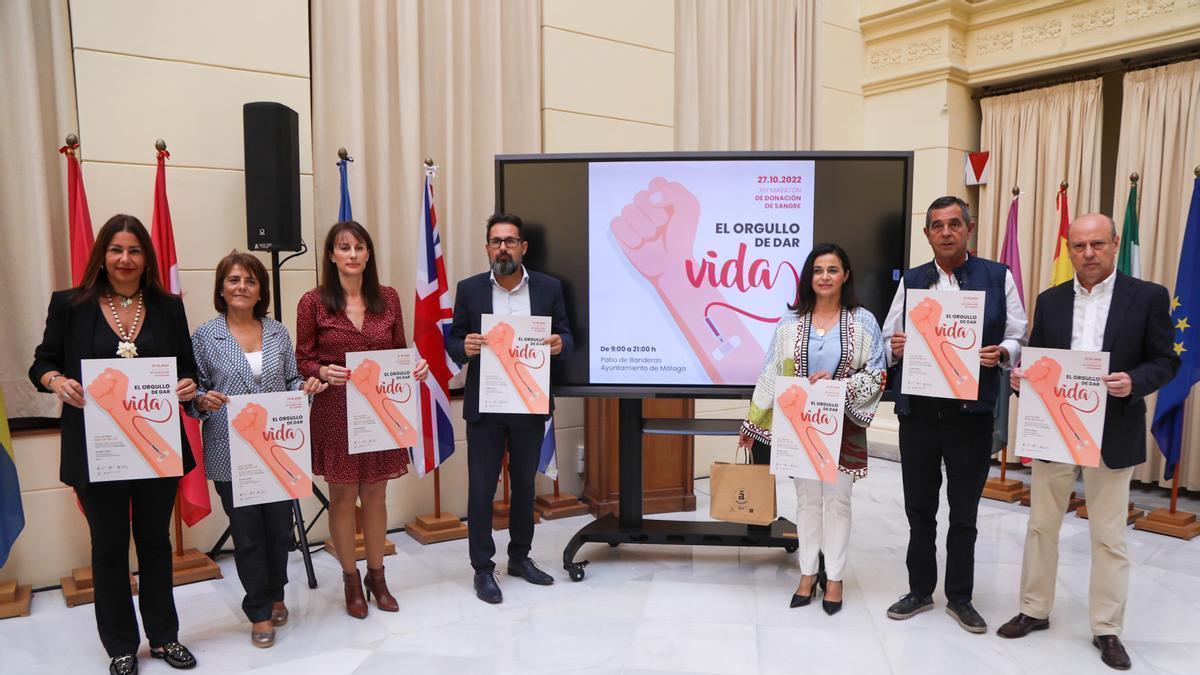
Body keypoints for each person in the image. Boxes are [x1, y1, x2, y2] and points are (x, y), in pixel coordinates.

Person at [998, 214, 1178, 670]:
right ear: (1070, 249)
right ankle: (1034, 609)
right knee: (1041, 526)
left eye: (1098, 244)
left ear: (1115, 244)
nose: (1088, 253)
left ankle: (1107, 628)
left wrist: (1133, 381)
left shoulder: (1149, 297)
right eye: (1079, 246)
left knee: (1109, 536)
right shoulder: (1051, 299)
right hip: (1054, 431)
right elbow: (1039, 358)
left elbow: (1165, 361)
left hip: (1112, 429)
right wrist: (1023, 379)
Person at [30, 214, 199, 675]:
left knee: (155, 544)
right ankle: (121, 645)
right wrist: (56, 380)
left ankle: (164, 637)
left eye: (135, 250)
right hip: (96, 448)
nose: (125, 259)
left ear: (147, 258)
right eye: (116, 250)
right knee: (107, 547)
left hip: (154, 447)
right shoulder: (70, 305)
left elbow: (189, 368)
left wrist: (187, 384)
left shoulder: (168, 307)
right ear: (102, 255)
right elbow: (41, 362)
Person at [882, 196, 1028, 633]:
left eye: (954, 224)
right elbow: (890, 335)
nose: (946, 232)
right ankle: (920, 589)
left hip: (971, 415)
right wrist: (896, 346)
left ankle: (961, 597)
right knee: (919, 509)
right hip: (920, 414)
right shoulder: (911, 281)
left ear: (969, 228)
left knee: (964, 512)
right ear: (927, 234)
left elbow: (1019, 334)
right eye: (937, 226)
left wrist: (1002, 351)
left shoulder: (996, 277)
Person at [739, 243, 887, 616]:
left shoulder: (863, 321)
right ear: (810, 277)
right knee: (806, 502)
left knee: (838, 502)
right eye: (818, 270)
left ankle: (834, 578)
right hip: (799, 427)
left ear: (845, 275)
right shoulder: (789, 323)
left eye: (832, 270)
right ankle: (807, 573)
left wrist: (839, 388)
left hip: (844, 424)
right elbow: (771, 372)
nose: (824, 277)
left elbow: (878, 373)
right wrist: (754, 421)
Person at [187, 252, 327, 647]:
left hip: (279, 449)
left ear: (261, 289)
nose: (242, 287)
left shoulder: (278, 332)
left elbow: (293, 379)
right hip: (231, 452)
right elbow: (192, 388)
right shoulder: (204, 336)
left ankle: (278, 590)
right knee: (248, 533)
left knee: (279, 528)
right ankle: (260, 609)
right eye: (233, 280)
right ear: (221, 287)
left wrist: (306, 388)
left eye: (250, 280)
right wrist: (201, 399)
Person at [295, 221, 428, 619]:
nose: (352, 254)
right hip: (335, 410)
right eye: (344, 247)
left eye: (359, 247)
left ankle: (377, 577)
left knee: (374, 494)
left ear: (368, 254)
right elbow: (302, 359)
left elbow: (400, 352)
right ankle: (351, 581)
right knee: (341, 496)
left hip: (380, 412)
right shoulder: (312, 302)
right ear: (332, 255)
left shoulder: (387, 298)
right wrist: (321, 371)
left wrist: (415, 368)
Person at [448, 213, 573, 604]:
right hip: (485, 407)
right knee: (482, 490)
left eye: (510, 240)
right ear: (487, 247)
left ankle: (520, 557)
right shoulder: (469, 290)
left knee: (524, 487)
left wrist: (560, 344)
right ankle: (483, 569)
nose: (503, 247)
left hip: (529, 404)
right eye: (496, 241)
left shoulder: (549, 288)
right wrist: (462, 347)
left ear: (523, 248)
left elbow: (567, 333)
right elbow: (453, 339)